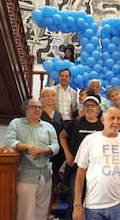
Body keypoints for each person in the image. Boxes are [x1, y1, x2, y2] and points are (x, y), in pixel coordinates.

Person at [72, 107, 120, 220]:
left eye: (119, 119)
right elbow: (80, 173)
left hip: (119, 205)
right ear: (103, 120)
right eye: (112, 118)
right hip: (93, 205)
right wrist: (77, 204)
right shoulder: (90, 140)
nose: (116, 122)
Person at [5, 98, 59, 220]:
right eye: (34, 107)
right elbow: (10, 140)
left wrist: (43, 150)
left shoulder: (48, 126)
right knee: (25, 213)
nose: (38, 109)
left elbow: (56, 146)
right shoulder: (16, 123)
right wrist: (29, 147)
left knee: (42, 211)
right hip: (25, 175)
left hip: (45, 175)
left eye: (40, 107)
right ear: (26, 109)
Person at [59, 94, 104, 219]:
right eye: (87, 106)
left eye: (93, 106)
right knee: (74, 203)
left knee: (93, 204)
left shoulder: (102, 126)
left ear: (98, 109)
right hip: (76, 169)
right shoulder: (75, 123)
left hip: (96, 171)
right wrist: (67, 154)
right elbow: (62, 136)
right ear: (83, 108)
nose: (90, 108)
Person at [39, 88, 65, 219]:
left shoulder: (59, 115)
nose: (50, 98)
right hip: (43, 152)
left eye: (52, 96)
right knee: (43, 183)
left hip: (58, 153)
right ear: (42, 98)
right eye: (47, 96)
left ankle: (51, 212)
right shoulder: (39, 114)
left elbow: (62, 134)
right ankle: (42, 213)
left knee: (54, 183)